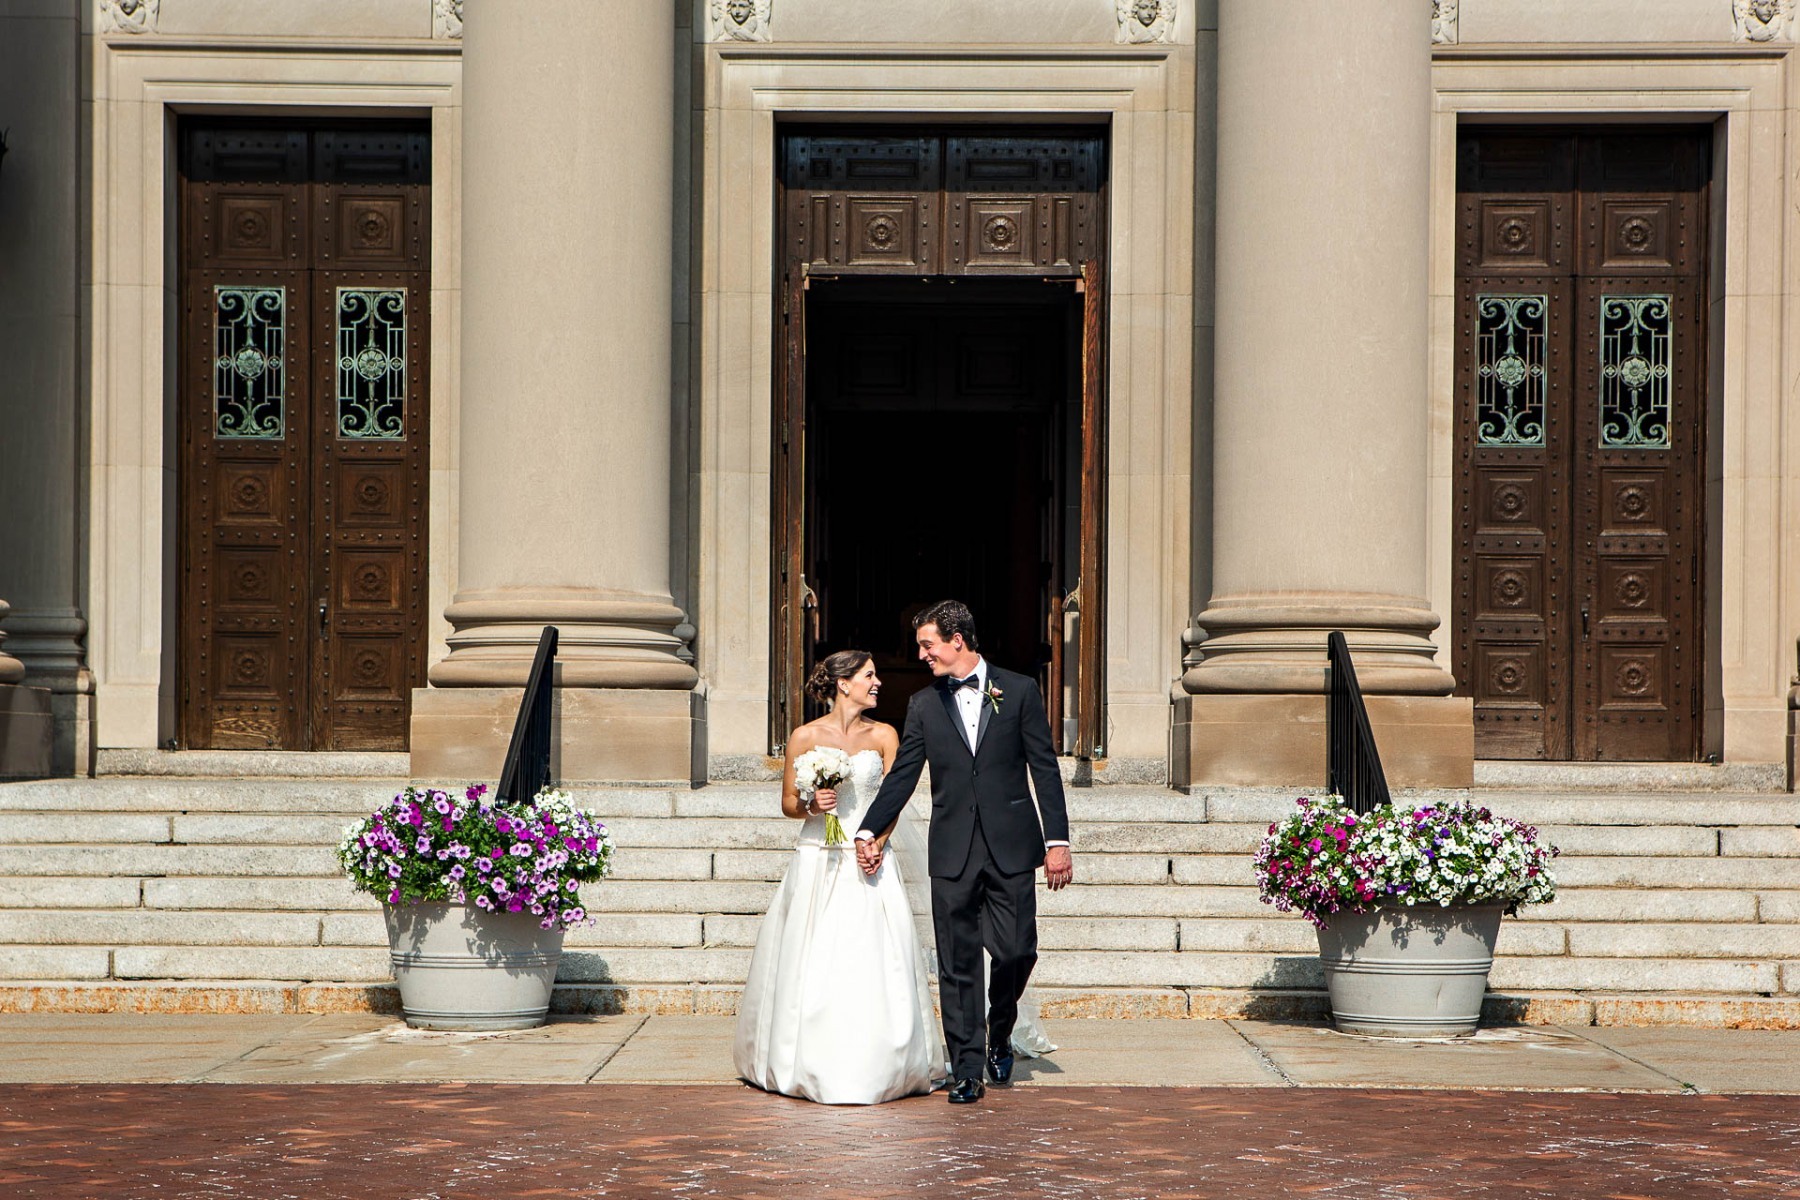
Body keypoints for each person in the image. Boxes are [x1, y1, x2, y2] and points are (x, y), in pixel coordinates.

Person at [855, 599, 1073, 1105]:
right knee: (956, 964)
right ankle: (968, 1067)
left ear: (958, 640)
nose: (922, 655)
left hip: (1012, 846)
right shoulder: (924, 704)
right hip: (952, 850)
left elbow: (1043, 767)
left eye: (928, 644)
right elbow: (904, 774)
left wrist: (1056, 841)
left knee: (1017, 950)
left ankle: (1001, 1029)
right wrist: (871, 828)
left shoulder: (1018, 691)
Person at [732, 649, 945, 1104]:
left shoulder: (886, 735)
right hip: (817, 855)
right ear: (843, 683)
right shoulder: (805, 736)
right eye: (870, 675)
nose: (878, 683)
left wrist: (879, 841)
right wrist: (814, 805)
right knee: (813, 956)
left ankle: (883, 1060)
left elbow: (897, 797)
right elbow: (789, 803)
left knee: (872, 955)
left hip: (867, 855)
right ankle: (802, 1059)